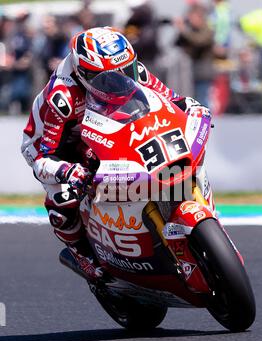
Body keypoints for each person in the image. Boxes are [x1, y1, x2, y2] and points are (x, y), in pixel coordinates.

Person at [21, 27, 209, 283]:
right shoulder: (62, 97)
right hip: (55, 147)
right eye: (108, 77)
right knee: (62, 200)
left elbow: (170, 100)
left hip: (100, 129)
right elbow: (44, 157)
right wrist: (68, 171)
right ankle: (82, 256)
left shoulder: (131, 70)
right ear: (84, 73)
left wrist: (191, 107)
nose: (122, 79)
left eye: (127, 70)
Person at [175, 3, 215, 107]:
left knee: (203, 99)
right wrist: (180, 30)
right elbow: (177, 43)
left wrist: (184, 30)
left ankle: (207, 121)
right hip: (195, 71)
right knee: (196, 99)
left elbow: (198, 41)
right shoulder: (193, 31)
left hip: (204, 72)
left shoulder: (208, 30)